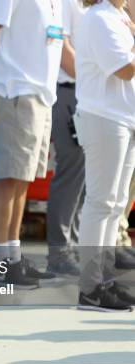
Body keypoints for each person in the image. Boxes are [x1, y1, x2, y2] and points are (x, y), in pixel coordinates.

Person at [0, 0, 63, 288]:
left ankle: (12, 257)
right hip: (14, 90)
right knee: (7, 176)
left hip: (39, 95)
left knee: (21, 179)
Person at [75, 0, 135, 312]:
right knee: (101, 203)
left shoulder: (118, 15)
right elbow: (124, 69)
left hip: (122, 119)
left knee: (114, 205)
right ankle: (90, 288)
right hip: (104, 118)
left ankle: (104, 281)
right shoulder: (99, 18)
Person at [46, 0, 86, 276]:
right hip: (69, 92)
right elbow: (63, 48)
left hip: (84, 92)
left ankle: (73, 247)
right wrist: (92, 77)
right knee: (71, 172)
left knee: (83, 176)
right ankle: (60, 252)